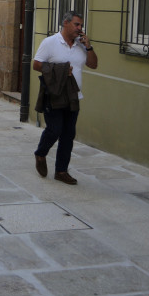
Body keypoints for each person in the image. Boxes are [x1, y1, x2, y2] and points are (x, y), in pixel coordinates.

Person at [33, 11, 98, 185]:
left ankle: (61, 171)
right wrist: (60, 69)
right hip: (54, 94)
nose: (80, 28)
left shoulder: (81, 45)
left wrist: (89, 46)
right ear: (66, 24)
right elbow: (36, 64)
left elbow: (93, 65)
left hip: (73, 96)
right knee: (55, 129)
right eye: (77, 24)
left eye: (81, 25)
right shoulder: (50, 42)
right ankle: (40, 153)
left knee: (68, 134)